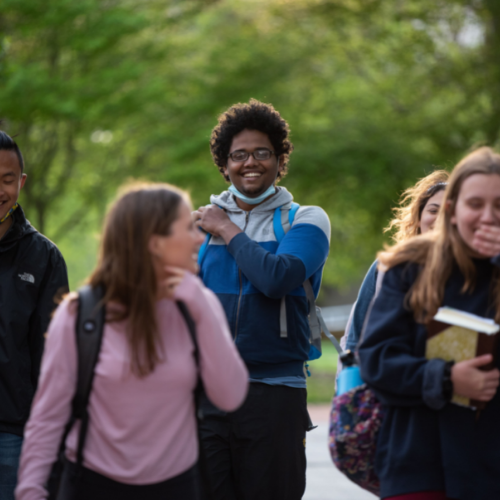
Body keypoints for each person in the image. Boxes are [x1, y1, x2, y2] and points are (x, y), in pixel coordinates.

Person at [15, 183, 249, 500]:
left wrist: (199, 302)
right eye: (186, 228)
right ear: (154, 243)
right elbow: (47, 418)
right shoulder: (79, 314)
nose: (199, 237)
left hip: (178, 486)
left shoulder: (196, 305)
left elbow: (231, 396)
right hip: (92, 485)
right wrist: (30, 491)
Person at [192, 99, 331, 500]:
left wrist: (228, 229)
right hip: (207, 393)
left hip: (275, 392)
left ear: (279, 159)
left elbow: (277, 278)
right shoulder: (198, 226)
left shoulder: (305, 219)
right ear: (224, 164)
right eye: (238, 155)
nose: (249, 162)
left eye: (261, 153)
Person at [357, 146, 500, 500]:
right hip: (419, 464)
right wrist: (448, 378)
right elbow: (376, 360)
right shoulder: (409, 267)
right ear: (453, 210)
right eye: (475, 204)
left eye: (499, 206)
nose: (487, 216)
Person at [0, 131, 68, 500]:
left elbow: (55, 355)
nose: (0, 190)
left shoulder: (44, 257)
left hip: (14, 432)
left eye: (7, 179)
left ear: (21, 182)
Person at [341, 170, 449, 353]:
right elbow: (356, 334)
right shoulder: (388, 267)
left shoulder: (478, 269)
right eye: (433, 210)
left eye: (448, 212)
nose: (439, 220)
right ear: (418, 218)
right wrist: (350, 377)